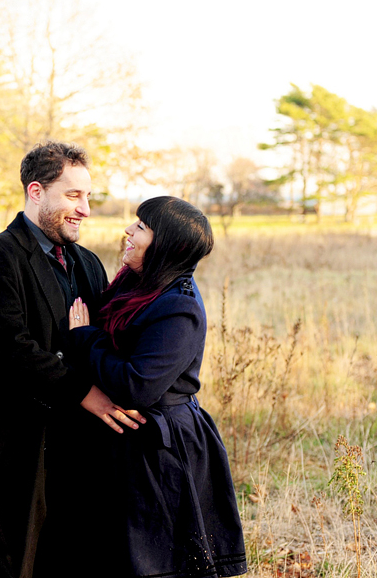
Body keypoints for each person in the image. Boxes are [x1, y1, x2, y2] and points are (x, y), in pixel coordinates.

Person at [0, 141, 145, 578]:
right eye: (74, 195)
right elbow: (8, 349)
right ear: (36, 191)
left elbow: (107, 340)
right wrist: (85, 392)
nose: (85, 209)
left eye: (88, 196)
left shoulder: (88, 263)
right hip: (14, 446)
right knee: (2, 563)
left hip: (79, 453)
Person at [61, 196, 248, 578]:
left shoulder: (179, 308)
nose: (128, 231)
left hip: (159, 448)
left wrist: (85, 338)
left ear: (165, 245)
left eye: (142, 227)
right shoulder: (137, 283)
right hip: (125, 439)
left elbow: (137, 386)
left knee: (154, 562)